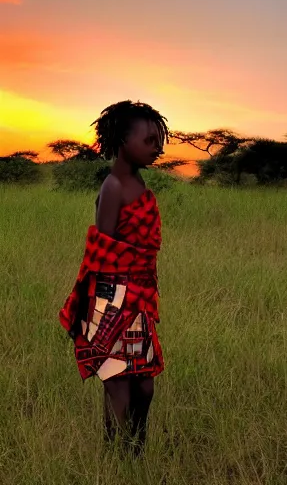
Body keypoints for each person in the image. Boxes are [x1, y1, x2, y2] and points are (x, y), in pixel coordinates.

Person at [59, 100, 170, 456]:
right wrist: (93, 309)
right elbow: (103, 251)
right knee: (118, 384)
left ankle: (133, 447)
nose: (157, 148)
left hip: (138, 297)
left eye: (159, 141)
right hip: (112, 298)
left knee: (144, 387)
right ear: (123, 140)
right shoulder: (113, 187)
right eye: (149, 140)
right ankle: (121, 456)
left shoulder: (136, 181)